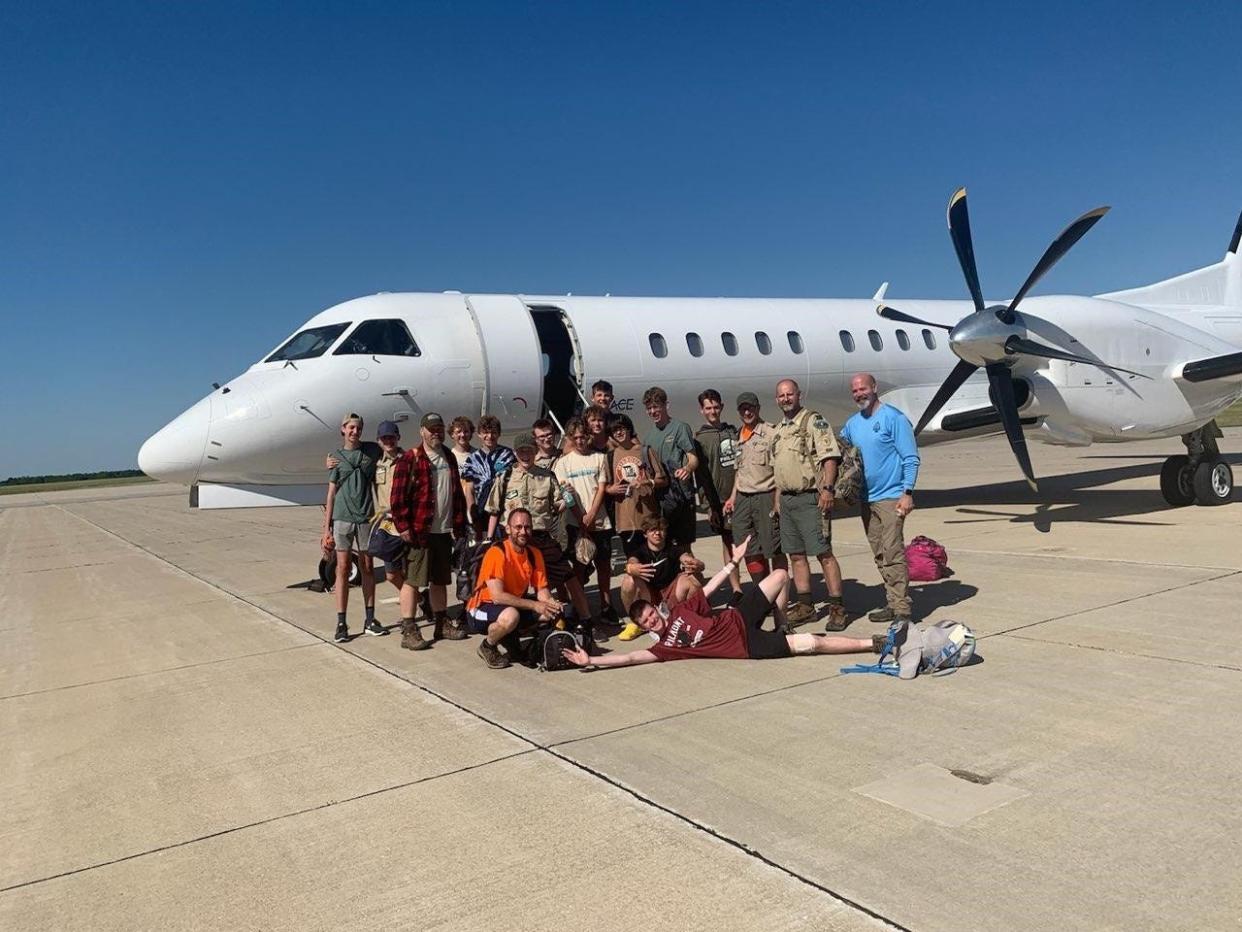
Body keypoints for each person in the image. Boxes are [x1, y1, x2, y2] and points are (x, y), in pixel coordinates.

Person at [563, 535, 887, 670]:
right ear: (646, 627)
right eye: (647, 622)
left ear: (656, 610)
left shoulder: (679, 611)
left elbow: (710, 588)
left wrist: (733, 563)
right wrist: (590, 660)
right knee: (811, 643)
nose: (652, 621)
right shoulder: (664, 649)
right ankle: (871, 643)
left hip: (736, 616)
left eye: (651, 614)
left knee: (779, 576)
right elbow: (630, 657)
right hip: (747, 645)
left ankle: (781, 622)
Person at [484, 431, 592, 625]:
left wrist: (567, 497)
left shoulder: (547, 477)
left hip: (540, 536)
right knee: (514, 584)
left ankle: (586, 619)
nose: (525, 455)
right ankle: (521, 621)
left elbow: (558, 505)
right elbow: (494, 510)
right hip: (513, 540)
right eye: (521, 451)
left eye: (529, 450)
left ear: (535, 451)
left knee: (567, 575)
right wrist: (489, 539)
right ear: (515, 453)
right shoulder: (505, 477)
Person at [840, 373, 920, 626]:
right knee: (879, 553)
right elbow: (840, 448)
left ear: (875, 388)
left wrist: (907, 493)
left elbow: (911, 457)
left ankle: (902, 610)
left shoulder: (893, 418)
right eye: (854, 391)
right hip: (866, 498)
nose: (859, 394)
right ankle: (892, 601)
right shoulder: (853, 424)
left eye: (863, 389)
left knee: (893, 550)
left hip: (891, 497)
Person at [771, 379, 848, 631]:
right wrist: (777, 499)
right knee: (795, 555)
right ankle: (806, 606)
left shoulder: (813, 421)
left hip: (810, 497)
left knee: (823, 552)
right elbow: (781, 467)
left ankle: (837, 607)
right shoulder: (780, 429)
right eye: (781, 396)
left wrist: (827, 489)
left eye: (789, 394)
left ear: (799, 395)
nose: (785, 399)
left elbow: (829, 457)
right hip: (788, 500)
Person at [389, 412, 470, 650]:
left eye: (439, 429)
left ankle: (441, 623)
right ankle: (409, 628)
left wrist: (459, 524)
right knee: (413, 580)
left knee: (440, 580)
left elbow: (456, 494)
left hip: (443, 531)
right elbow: (397, 498)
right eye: (431, 429)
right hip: (420, 531)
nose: (436, 433)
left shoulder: (448, 457)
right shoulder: (410, 459)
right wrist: (403, 527)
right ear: (422, 431)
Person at [465, 508, 563, 669]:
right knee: (511, 616)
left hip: (511, 605)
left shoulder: (534, 554)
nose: (523, 532)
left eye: (527, 527)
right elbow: (497, 597)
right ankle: (488, 646)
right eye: (518, 527)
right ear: (508, 529)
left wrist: (551, 604)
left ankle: (510, 639)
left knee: (548, 613)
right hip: (481, 608)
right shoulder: (497, 552)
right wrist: (535, 605)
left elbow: (542, 590)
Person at [723, 392, 789, 626]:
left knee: (774, 549)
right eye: (742, 409)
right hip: (743, 498)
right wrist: (731, 498)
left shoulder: (770, 433)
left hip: (765, 496)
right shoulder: (737, 437)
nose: (747, 412)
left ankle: (781, 604)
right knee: (749, 550)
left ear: (758, 408)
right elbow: (738, 472)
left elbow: (780, 471)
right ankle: (764, 595)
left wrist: (777, 500)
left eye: (750, 408)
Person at [321, 413, 384, 642]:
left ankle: (370, 619)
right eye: (351, 428)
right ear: (343, 429)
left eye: (358, 428)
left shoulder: (371, 451)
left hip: (366, 518)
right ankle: (341, 622)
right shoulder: (335, 458)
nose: (354, 431)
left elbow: (389, 449)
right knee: (343, 568)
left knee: (367, 567)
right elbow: (330, 494)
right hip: (342, 518)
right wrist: (325, 529)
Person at [553, 417, 612, 623]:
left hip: (600, 521)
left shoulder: (599, 458)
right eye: (575, 437)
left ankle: (606, 606)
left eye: (583, 437)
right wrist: (580, 518)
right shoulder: (563, 463)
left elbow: (602, 487)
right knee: (578, 567)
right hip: (574, 523)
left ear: (588, 436)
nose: (579, 441)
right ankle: (580, 607)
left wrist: (592, 514)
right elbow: (565, 493)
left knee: (603, 565)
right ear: (569, 438)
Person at [617, 517, 704, 640]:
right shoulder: (640, 551)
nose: (657, 533)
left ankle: (689, 618)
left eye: (661, 529)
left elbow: (686, 558)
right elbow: (632, 561)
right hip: (649, 598)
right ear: (645, 534)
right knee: (628, 580)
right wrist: (631, 567)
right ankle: (636, 624)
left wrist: (697, 564)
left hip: (671, 596)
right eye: (653, 530)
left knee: (693, 578)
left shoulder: (673, 548)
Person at [694, 389, 743, 601]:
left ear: (721, 407)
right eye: (708, 408)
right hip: (720, 501)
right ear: (702, 410)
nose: (713, 411)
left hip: (742, 495)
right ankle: (736, 588)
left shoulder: (733, 432)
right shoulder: (700, 439)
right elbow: (701, 477)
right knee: (728, 543)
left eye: (715, 407)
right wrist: (709, 506)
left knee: (749, 542)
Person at [642, 386, 700, 549]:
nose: (652, 411)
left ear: (666, 405)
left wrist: (687, 469)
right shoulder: (648, 437)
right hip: (661, 499)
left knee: (683, 547)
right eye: (649, 408)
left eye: (656, 406)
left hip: (681, 496)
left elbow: (693, 458)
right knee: (665, 546)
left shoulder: (680, 428)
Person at [607, 414, 667, 559]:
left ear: (629, 429)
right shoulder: (610, 456)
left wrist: (648, 482)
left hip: (649, 518)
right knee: (633, 562)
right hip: (626, 521)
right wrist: (611, 490)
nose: (619, 433)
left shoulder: (645, 451)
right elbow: (606, 486)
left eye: (622, 429)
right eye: (615, 430)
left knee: (653, 562)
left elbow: (663, 479)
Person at [462, 415, 515, 539]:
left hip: (504, 511)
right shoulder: (472, 459)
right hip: (481, 511)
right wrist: (472, 511)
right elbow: (469, 488)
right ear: (479, 434)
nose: (490, 436)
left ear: (499, 434)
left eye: (493, 433)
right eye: (485, 433)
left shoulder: (508, 455)